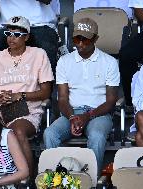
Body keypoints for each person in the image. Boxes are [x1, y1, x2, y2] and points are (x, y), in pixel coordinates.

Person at [0, 16, 54, 178]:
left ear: (27, 37)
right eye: (8, 33)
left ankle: (27, 179)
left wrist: (19, 95)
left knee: (17, 132)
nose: (11, 38)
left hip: (27, 110)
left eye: (16, 34)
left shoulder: (38, 54)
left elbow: (46, 92)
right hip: (0, 110)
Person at [43, 17, 120, 172]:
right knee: (50, 133)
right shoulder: (64, 61)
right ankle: (58, 180)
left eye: (85, 39)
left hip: (99, 114)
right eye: (77, 38)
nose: (80, 43)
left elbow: (111, 101)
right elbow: (63, 98)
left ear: (95, 39)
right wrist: (72, 117)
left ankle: (91, 181)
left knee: (97, 136)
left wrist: (88, 116)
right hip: (71, 112)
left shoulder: (109, 62)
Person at [0, 0, 58, 74]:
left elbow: (47, 1)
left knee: (47, 49)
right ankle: (2, 84)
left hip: (40, 25)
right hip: (9, 27)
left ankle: (44, 85)